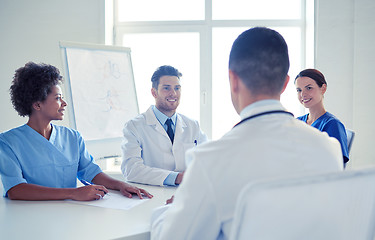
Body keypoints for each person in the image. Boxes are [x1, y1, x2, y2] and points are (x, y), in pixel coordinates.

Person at [150, 27, 343, 240]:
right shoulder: (329, 148)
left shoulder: (211, 161)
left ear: (233, 80)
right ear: (286, 83)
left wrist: (174, 208)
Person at [0, 62, 153, 201]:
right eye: (58, 98)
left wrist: (120, 185)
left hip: (72, 215)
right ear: (37, 105)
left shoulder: (72, 137)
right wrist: (73, 193)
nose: (64, 103)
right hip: (29, 217)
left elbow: (91, 172)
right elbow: (15, 189)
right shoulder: (8, 142)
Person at [121, 65, 208, 186]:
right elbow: (131, 170)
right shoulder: (134, 126)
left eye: (177, 88)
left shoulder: (192, 125)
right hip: (152, 196)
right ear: (154, 92)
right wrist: (176, 177)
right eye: (166, 88)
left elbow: (207, 158)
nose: (173, 93)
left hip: (187, 193)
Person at [295, 69, 349, 165]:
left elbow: (337, 165)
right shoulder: (297, 122)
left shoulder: (332, 124)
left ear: (323, 88)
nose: (303, 94)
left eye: (309, 88)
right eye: (299, 90)